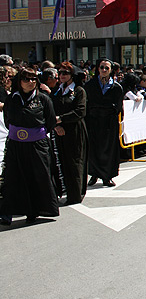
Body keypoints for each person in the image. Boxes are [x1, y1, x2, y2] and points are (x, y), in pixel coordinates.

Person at [0, 68, 59, 225]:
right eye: (26, 79)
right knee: (12, 178)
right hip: (15, 146)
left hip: (37, 145)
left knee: (38, 178)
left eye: (33, 79)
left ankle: (34, 211)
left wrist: (34, 134)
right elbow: (7, 120)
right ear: (19, 81)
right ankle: (7, 213)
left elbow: (50, 121)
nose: (30, 82)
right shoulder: (12, 99)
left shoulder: (43, 99)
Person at [51, 62, 88, 206]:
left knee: (75, 162)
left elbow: (80, 111)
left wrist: (61, 119)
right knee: (63, 161)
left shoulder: (79, 91)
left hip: (75, 130)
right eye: (60, 73)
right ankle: (66, 190)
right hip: (59, 130)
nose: (62, 76)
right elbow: (50, 109)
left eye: (65, 73)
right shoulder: (57, 91)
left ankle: (75, 194)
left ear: (72, 75)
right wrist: (55, 125)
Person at [85, 59, 123, 187]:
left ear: (111, 70)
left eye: (107, 68)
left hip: (109, 123)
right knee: (94, 148)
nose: (104, 70)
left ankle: (107, 176)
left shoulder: (116, 87)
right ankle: (94, 174)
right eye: (102, 67)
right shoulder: (90, 85)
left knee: (109, 149)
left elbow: (118, 107)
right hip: (94, 121)